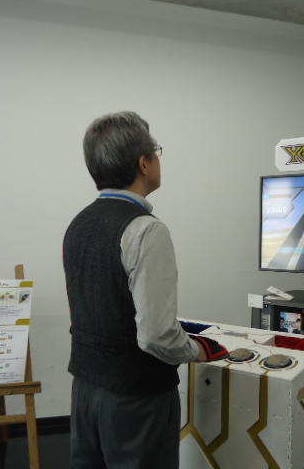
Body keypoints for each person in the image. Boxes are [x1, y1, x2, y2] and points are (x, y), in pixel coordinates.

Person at [63, 111, 207, 469]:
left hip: (84, 389)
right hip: (137, 397)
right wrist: (198, 350)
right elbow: (156, 336)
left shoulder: (78, 224)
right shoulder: (146, 230)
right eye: (156, 152)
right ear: (144, 163)